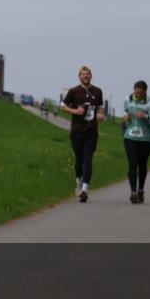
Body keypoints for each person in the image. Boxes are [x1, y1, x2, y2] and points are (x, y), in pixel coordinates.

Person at [60, 65, 105, 202]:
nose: (86, 76)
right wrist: (75, 111)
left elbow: (100, 108)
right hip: (77, 131)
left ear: (91, 76)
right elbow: (62, 106)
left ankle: (85, 188)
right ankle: (79, 182)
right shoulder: (74, 91)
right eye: (83, 74)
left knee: (88, 159)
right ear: (79, 76)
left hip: (91, 131)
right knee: (79, 161)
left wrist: (101, 115)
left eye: (88, 74)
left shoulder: (97, 91)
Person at [120, 80, 150, 203]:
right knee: (132, 163)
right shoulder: (128, 99)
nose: (138, 95)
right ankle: (133, 192)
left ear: (145, 92)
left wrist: (146, 116)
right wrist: (125, 115)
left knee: (142, 165)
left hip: (145, 139)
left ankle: (141, 189)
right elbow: (125, 110)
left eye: (140, 93)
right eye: (136, 93)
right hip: (130, 137)